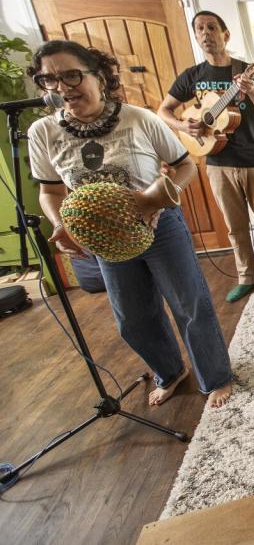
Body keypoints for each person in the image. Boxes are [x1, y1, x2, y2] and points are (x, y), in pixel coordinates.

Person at [27, 41, 233, 408]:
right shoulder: (42, 132)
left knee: (190, 304)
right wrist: (62, 223)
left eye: (71, 74)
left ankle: (216, 376)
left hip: (160, 224)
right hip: (105, 238)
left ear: (99, 76)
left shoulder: (139, 118)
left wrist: (157, 198)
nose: (62, 87)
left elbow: (185, 165)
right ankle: (170, 372)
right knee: (132, 318)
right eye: (50, 80)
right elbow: (50, 190)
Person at [159, 10, 254, 303]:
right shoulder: (192, 76)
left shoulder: (248, 70)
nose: (206, 33)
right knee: (235, 227)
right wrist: (184, 125)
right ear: (197, 37)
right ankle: (246, 278)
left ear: (225, 35)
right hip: (217, 163)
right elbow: (164, 111)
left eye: (212, 27)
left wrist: (252, 92)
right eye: (200, 29)